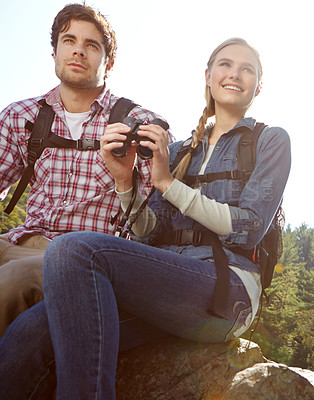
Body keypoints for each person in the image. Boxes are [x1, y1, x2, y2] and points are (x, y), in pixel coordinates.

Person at [0, 37, 291, 399]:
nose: (235, 74)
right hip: (166, 287)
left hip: (227, 290)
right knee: (27, 336)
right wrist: (124, 180)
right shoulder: (182, 150)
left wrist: (167, 183)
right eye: (226, 65)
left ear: (259, 85)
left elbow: (246, 230)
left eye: (247, 69)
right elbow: (149, 234)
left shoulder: (270, 140)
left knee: (73, 249)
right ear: (208, 75)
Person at [0, 3, 172, 337]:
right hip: (20, 240)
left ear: (108, 62)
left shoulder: (138, 122)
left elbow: (155, 222)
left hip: (81, 255)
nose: (79, 50)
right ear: (54, 52)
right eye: (69, 40)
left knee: (10, 284)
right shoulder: (21, 116)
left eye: (92, 45)